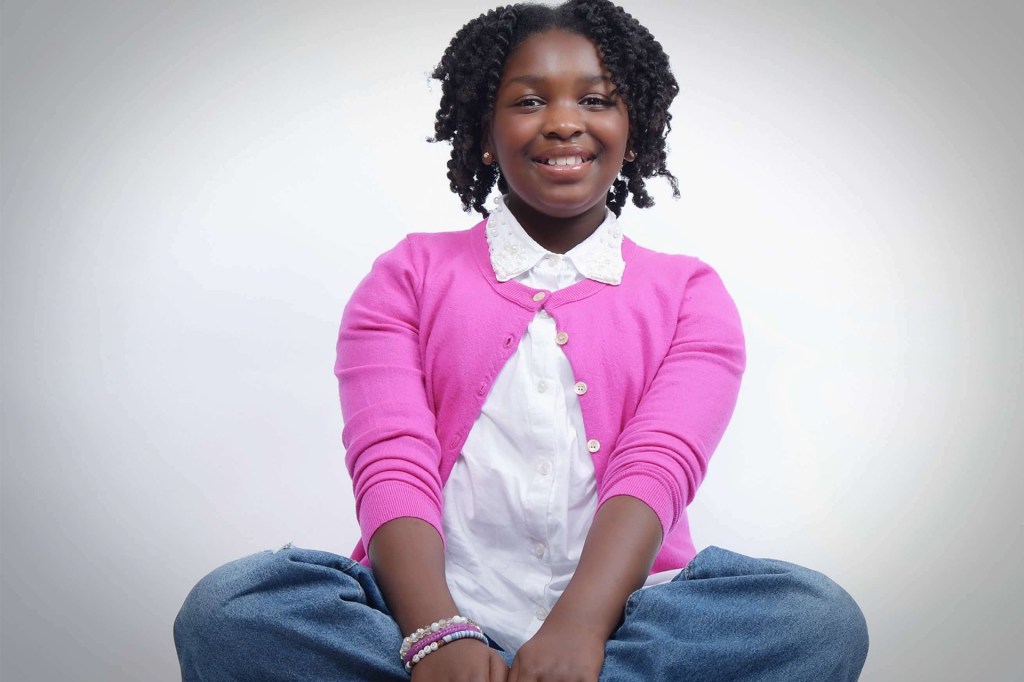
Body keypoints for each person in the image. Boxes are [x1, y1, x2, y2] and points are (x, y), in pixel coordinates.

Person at [174, 2, 869, 680]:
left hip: (622, 626)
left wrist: (579, 627)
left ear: (633, 129)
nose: (564, 121)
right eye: (530, 101)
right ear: (485, 130)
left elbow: (658, 465)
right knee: (229, 609)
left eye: (595, 100)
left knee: (816, 617)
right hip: (422, 620)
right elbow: (390, 462)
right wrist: (436, 635)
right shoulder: (406, 275)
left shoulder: (690, 292)